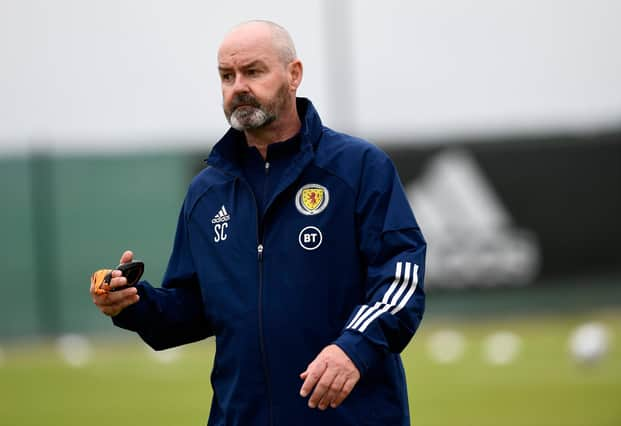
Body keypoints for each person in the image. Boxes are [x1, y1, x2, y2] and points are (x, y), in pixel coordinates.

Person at [90, 20, 426, 426]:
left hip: (349, 417)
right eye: (226, 76)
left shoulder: (358, 168)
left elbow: (400, 279)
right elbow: (193, 308)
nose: (238, 87)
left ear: (294, 74)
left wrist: (353, 347)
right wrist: (133, 304)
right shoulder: (207, 192)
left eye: (253, 71)